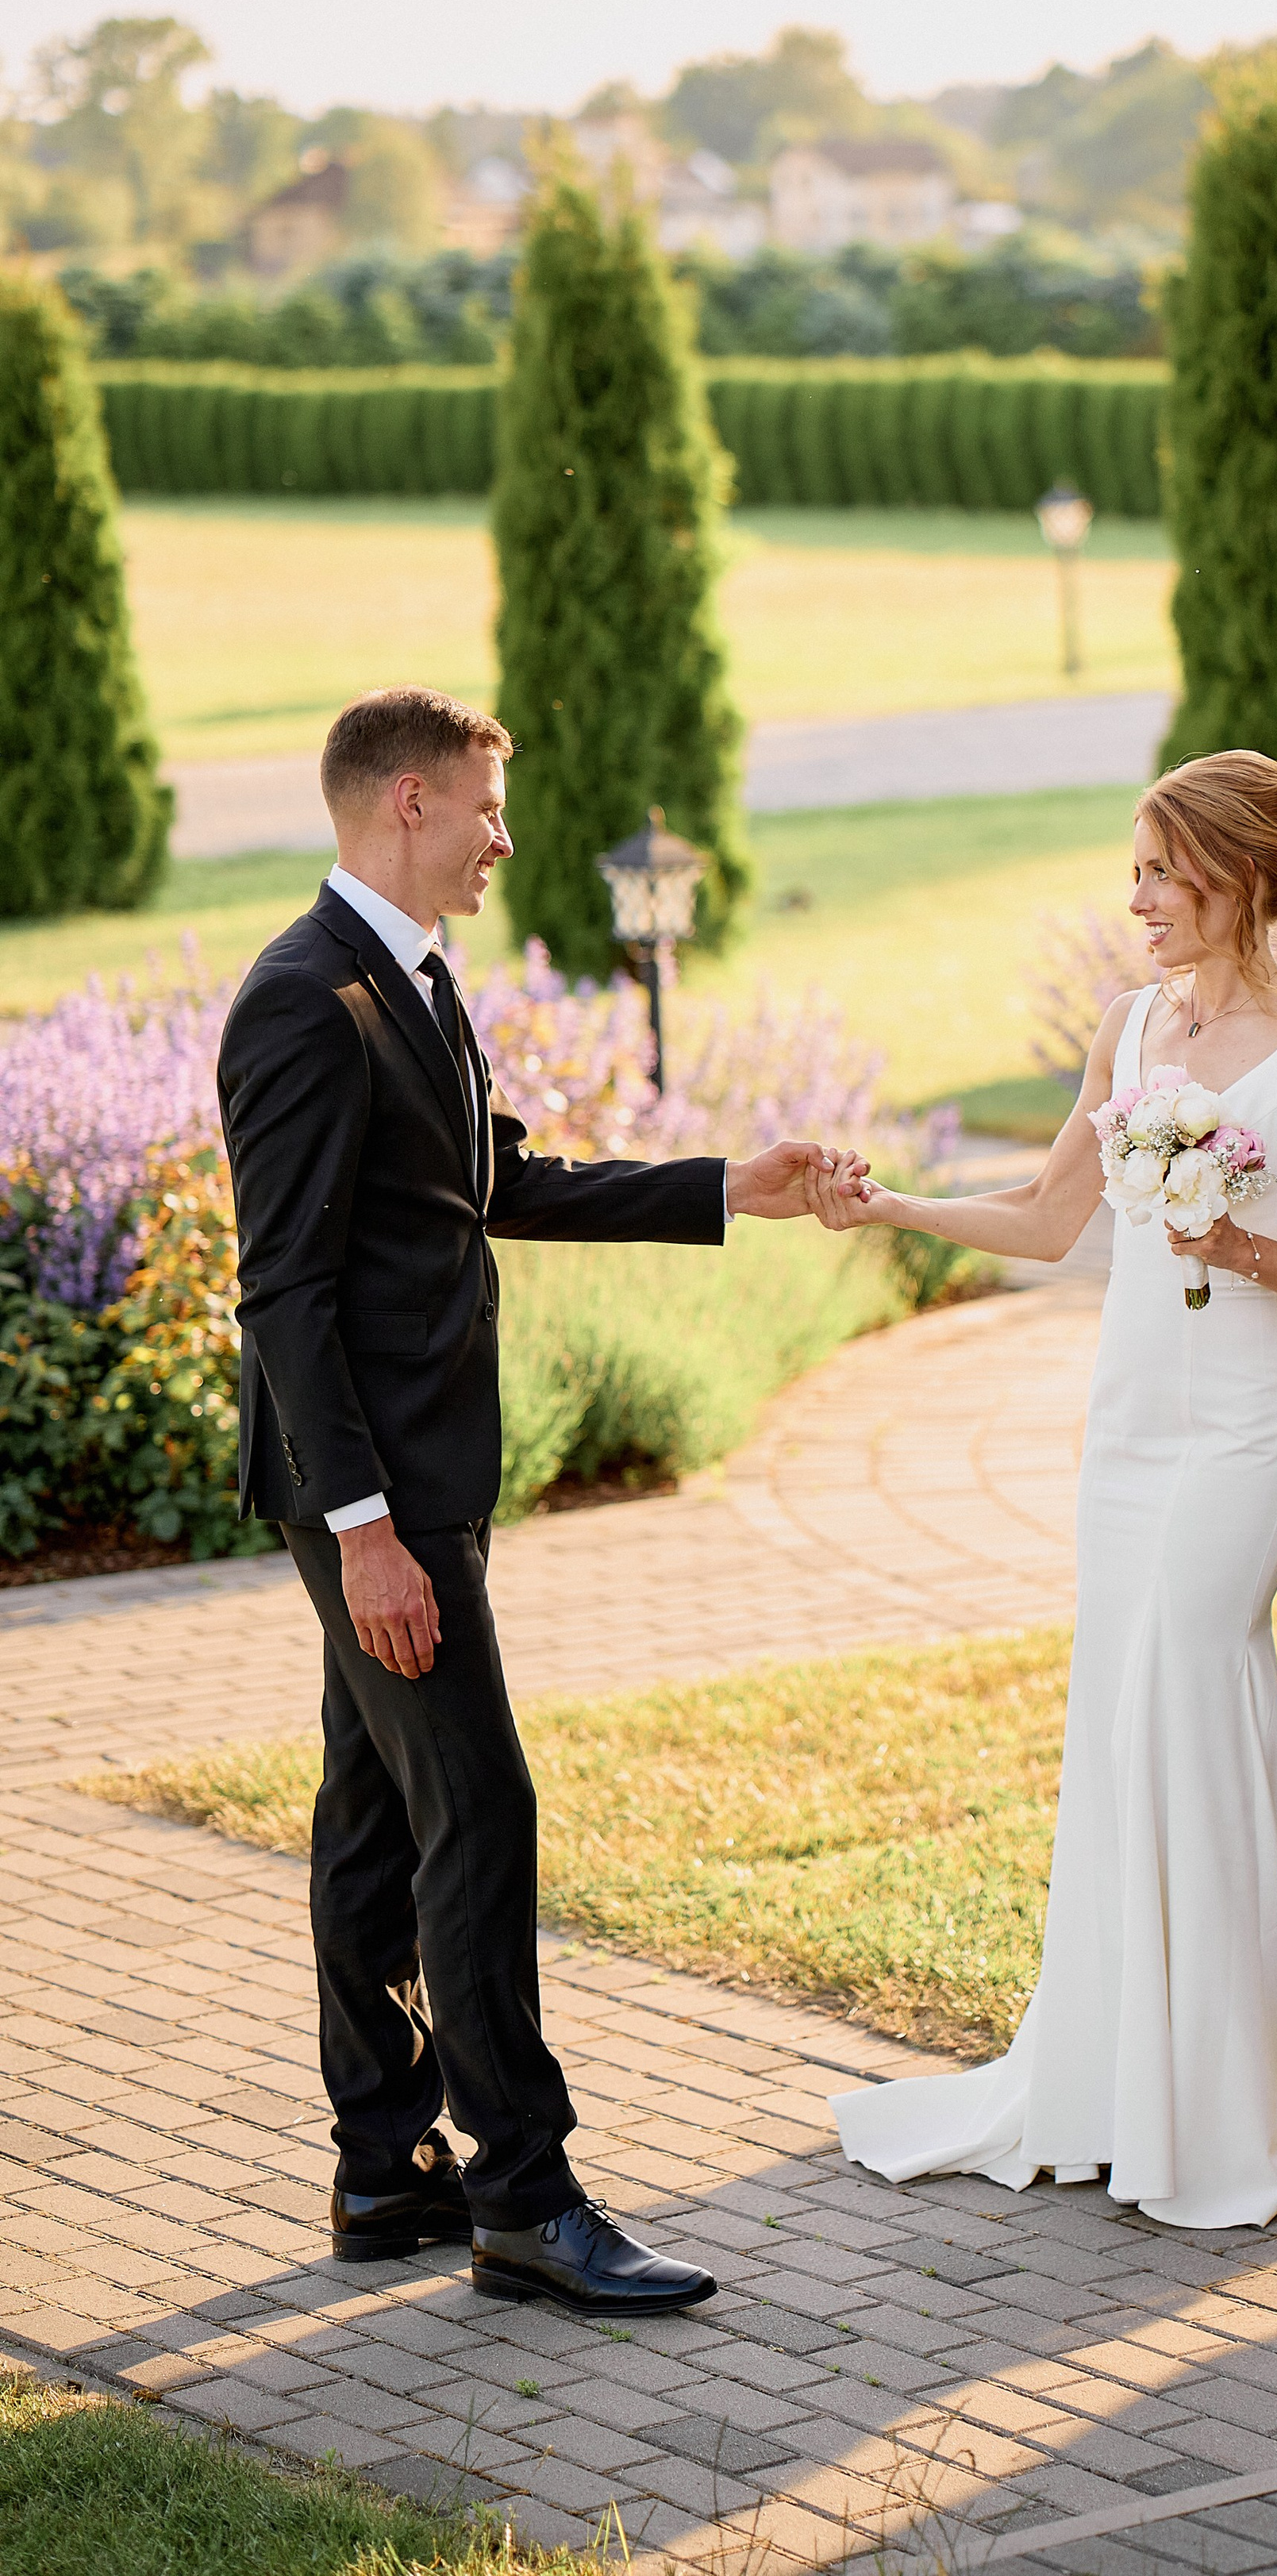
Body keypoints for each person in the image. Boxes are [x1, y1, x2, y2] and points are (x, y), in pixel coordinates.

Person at [217, 686, 863, 2315]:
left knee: (376, 1809)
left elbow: (494, 1184)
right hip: (376, 1499)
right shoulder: (304, 999)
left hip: (419, 1480)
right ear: (410, 803)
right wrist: (362, 1528)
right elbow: (281, 1291)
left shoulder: (413, 981)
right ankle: (525, 2191)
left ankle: (385, 2169)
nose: (510, 841)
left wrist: (734, 1186)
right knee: (478, 1812)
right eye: (491, 810)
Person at [814, 749, 1277, 2229]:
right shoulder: (1131, 1030)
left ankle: (1225, 2096)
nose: (1134, 900)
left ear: (1240, 877)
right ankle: (1119, 2077)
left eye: (1158, 871)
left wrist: (1237, 1246)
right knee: (1121, 1725)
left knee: (1186, 1693)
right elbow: (1048, 1213)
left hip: (1250, 1431)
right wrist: (890, 1206)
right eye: (1132, 871)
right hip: (1130, 1427)